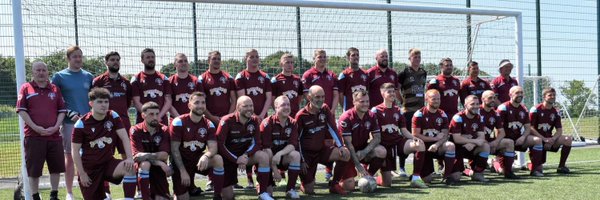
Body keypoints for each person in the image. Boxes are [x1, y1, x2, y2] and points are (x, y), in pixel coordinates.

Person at [71, 88, 137, 200]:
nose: (104, 105)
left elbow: (125, 138)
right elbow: (75, 151)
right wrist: (82, 173)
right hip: (90, 169)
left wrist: (130, 158)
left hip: (108, 163)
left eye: (106, 102)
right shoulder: (81, 124)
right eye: (100, 102)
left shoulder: (113, 116)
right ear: (91, 103)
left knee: (130, 167)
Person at [17, 62, 67, 200]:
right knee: (34, 170)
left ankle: (54, 195)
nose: (41, 72)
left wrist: (56, 127)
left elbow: (62, 111)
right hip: (34, 136)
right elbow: (21, 111)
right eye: (38, 70)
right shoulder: (26, 88)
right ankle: (35, 196)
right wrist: (36, 127)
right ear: (32, 72)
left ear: (47, 72)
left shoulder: (55, 89)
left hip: (54, 136)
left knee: (56, 168)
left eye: (44, 70)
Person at [51, 45, 94, 200]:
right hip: (69, 123)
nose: (78, 59)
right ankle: (69, 192)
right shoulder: (59, 77)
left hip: (88, 123)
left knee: (90, 156)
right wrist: (70, 113)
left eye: (80, 56)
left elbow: (94, 99)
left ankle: (91, 189)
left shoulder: (89, 76)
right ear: (68, 59)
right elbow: (55, 98)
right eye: (75, 56)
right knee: (70, 157)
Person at [92, 51, 133, 198]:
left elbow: (127, 103)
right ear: (106, 62)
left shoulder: (126, 83)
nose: (115, 62)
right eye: (112, 60)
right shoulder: (98, 81)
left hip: (122, 123)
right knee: (104, 157)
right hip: (104, 126)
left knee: (127, 156)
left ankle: (131, 193)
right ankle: (106, 192)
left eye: (117, 60)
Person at [295, 86, 350, 195]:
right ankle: (304, 183)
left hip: (321, 151)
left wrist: (341, 146)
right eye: (317, 97)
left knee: (345, 154)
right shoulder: (300, 116)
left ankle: (334, 184)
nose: (321, 99)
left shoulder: (325, 109)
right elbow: (296, 140)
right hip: (306, 156)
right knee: (309, 190)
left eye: (323, 97)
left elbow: (333, 129)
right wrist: (301, 160)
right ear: (309, 97)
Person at [216, 96, 273, 200]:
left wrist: (245, 155)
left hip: (245, 157)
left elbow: (257, 143)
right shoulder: (226, 121)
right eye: (245, 106)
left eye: (251, 106)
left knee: (263, 155)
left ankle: (263, 193)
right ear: (238, 107)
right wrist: (236, 159)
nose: (249, 108)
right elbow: (220, 145)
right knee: (227, 197)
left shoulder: (255, 120)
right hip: (229, 159)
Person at [169, 92, 225, 200]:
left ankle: (217, 196)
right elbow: (174, 150)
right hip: (181, 163)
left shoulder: (209, 124)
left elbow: (213, 148)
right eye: (196, 102)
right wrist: (182, 171)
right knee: (183, 198)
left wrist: (206, 156)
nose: (200, 105)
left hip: (197, 161)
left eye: (203, 102)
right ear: (189, 105)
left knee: (218, 159)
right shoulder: (178, 122)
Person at [371, 83, 427, 188]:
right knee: (387, 184)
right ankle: (374, 178)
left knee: (419, 145)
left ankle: (416, 178)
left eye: (393, 91)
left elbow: (404, 130)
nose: (392, 94)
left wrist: (415, 138)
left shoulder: (398, 110)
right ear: (382, 93)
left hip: (397, 142)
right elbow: (371, 132)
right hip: (383, 145)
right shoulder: (375, 110)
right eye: (389, 92)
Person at [199, 51, 241, 191]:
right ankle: (211, 181)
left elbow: (234, 99)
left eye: (218, 59)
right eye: (214, 59)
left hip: (226, 120)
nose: (217, 61)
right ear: (208, 61)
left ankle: (232, 180)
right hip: (210, 120)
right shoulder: (202, 78)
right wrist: (211, 117)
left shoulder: (228, 77)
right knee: (213, 149)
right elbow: (200, 102)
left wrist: (227, 118)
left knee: (231, 147)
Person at [333, 90, 386, 193]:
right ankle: (338, 178)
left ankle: (368, 176)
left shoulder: (371, 115)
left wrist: (364, 152)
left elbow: (377, 138)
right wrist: (357, 165)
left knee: (381, 151)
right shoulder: (346, 117)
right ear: (354, 102)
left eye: (367, 101)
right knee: (349, 187)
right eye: (362, 101)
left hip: (361, 150)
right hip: (347, 153)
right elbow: (348, 144)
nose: (365, 104)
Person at [234, 49, 272, 189]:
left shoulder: (265, 76)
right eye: (252, 57)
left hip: (263, 118)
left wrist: (262, 115)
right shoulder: (241, 76)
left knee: (262, 146)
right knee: (248, 145)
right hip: (248, 117)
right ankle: (249, 180)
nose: (255, 59)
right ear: (246, 59)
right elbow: (242, 98)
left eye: (257, 57)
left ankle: (262, 179)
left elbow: (268, 97)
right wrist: (253, 115)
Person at [301, 49, 339, 181]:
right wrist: (317, 107)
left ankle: (329, 172)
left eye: (324, 57)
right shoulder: (308, 75)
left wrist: (332, 110)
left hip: (327, 113)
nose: (322, 59)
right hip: (315, 114)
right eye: (319, 57)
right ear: (314, 59)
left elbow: (335, 95)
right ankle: (308, 172)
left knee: (329, 143)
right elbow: (307, 94)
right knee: (313, 141)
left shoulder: (332, 75)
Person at [412, 89, 459, 185]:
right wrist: (434, 139)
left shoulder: (442, 114)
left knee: (450, 145)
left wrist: (436, 144)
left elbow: (445, 135)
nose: (437, 101)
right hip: (423, 148)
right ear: (426, 99)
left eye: (438, 99)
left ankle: (446, 176)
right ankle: (418, 173)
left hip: (437, 147)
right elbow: (415, 135)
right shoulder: (419, 114)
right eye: (434, 99)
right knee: (427, 180)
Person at [260, 95, 302, 199]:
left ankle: (290, 189)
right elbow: (266, 149)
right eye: (283, 105)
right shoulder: (266, 123)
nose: (287, 107)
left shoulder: (293, 122)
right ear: (276, 108)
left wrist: (279, 154)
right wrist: (275, 170)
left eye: (288, 104)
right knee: (268, 194)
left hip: (281, 158)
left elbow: (292, 145)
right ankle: (261, 186)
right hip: (268, 160)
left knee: (296, 155)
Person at [497, 86, 545, 176]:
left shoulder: (523, 109)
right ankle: (500, 165)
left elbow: (527, 127)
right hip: (504, 140)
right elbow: (497, 129)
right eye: (517, 93)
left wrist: (523, 137)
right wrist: (501, 142)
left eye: (521, 93)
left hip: (518, 138)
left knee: (537, 140)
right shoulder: (503, 108)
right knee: (503, 171)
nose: (520, 95)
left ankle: (535, 170)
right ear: (510, 95)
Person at [130, 102, 172, 200]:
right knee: (145, 164)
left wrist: (158, 162)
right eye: (151, 114)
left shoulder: (164, 130)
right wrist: (160, 163)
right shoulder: (135, 130)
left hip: (159, 170)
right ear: (143, 115)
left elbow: (164, 155)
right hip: (141, 168)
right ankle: (144, 195)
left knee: (161, 199)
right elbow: (137, 156)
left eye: (157, 114)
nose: (155, 117)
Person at [396, 48, 427, 177]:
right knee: (407, 139)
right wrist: (402, 101)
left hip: (420, 112)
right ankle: (402, 167)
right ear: (409, 58)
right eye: (414, 57)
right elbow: (397, 89)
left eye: (419, 56)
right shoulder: (404, 72)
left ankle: (418, 169)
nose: (417, 59)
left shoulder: (423, 72)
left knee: (419, 139)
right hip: (408, 111)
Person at [529, 87, 572, 174]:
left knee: (568, 139)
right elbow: (530, 128)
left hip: (549, 140)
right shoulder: (535, 109)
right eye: (550, 95)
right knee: (539, 168)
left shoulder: (555, 111)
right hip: (536, 140)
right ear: (544, 97)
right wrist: (544, 139)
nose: (552, 97)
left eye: (554, 95)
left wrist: (552, 140)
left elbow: (559, 130)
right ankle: (531, 164)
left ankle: (561, 166)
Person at [448, 95, 490, 182]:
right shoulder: (458, 117)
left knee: (485, 146)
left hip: (470, 147)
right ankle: (448, 169)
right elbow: (457, 139)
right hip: (457, 149)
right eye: (472, 104)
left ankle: (477, 173)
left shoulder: (479, 118)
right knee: (455, 178)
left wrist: (472, 143)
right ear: (465, 105)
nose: (475, 106)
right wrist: (473, 141)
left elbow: (481, 138)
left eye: (477, 104)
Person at [479, 90, 520, 179]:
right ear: (482, 99)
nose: (493, 100)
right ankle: (469, 171)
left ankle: (508, 172)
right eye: (490, 98)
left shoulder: (495, 113)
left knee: (509, 142)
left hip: (488, 142)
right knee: (459, 175)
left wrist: (495, 142)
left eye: (494, 98)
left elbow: (502, 132)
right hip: (476, 142)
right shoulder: (477, 111)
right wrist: (486, 143)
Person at [131, 48, 172, 124]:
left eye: (153, 57)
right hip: (143, 121)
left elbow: (168, 101)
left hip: (161, 120)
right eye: (148, 57)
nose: (151, 59)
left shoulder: (164, 78)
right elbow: (136, 102)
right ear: (142, 60)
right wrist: (148, 116)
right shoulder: (136, 78)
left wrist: (158, 116)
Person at [169, 53, 203, 118]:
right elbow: (168, 103)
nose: (184, 63)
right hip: (175, 119)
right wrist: (179, 118)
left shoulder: (196, 81)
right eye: (180, 61)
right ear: (175, 64)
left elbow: (201, 101)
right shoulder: (170, 81)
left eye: (185, 61)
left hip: (193, 119)